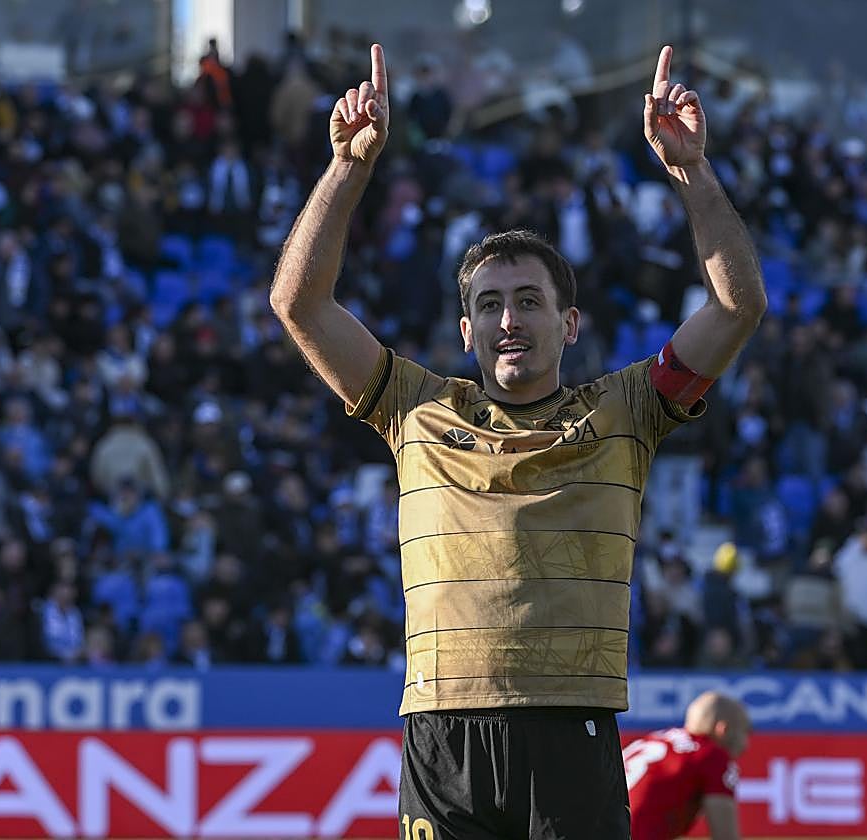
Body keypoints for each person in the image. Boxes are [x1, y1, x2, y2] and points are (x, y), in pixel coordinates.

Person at [270, 43, 765, 839]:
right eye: (491, 304)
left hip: (571, 728)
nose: (510, 320)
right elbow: (298, 303)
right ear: (467, 330)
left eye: (530, 301)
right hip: (442, 733)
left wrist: (692, 173)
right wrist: (347, 169)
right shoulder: (413, 407)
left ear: (568, 323)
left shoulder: (629, 409)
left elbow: (737, 307)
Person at [627, 691, 751, 840]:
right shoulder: (712, 755)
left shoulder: (654, 739)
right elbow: (725, 837)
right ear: (723, 729)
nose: (746, 745)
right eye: (745, 732)